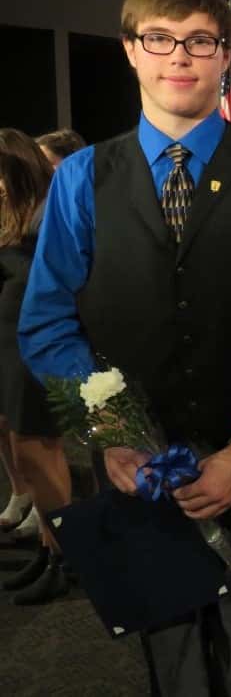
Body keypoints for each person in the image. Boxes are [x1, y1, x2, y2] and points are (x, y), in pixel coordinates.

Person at [17, 0, 231, 695]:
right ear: (130, 50)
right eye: (159, 38)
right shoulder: (82, 178)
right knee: (170, 660)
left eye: (200, 41)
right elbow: (47, 321)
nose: (179, 55)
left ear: (226, 56)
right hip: (134, 467)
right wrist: (112, 435)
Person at [0, 129, 72, 606]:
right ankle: (49, 551)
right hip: (11, 342)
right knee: (27, 455)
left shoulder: (46, 214)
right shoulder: (16, 214)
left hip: (36, 345)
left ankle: (67, 558)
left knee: (40, 455)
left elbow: (48, 278)